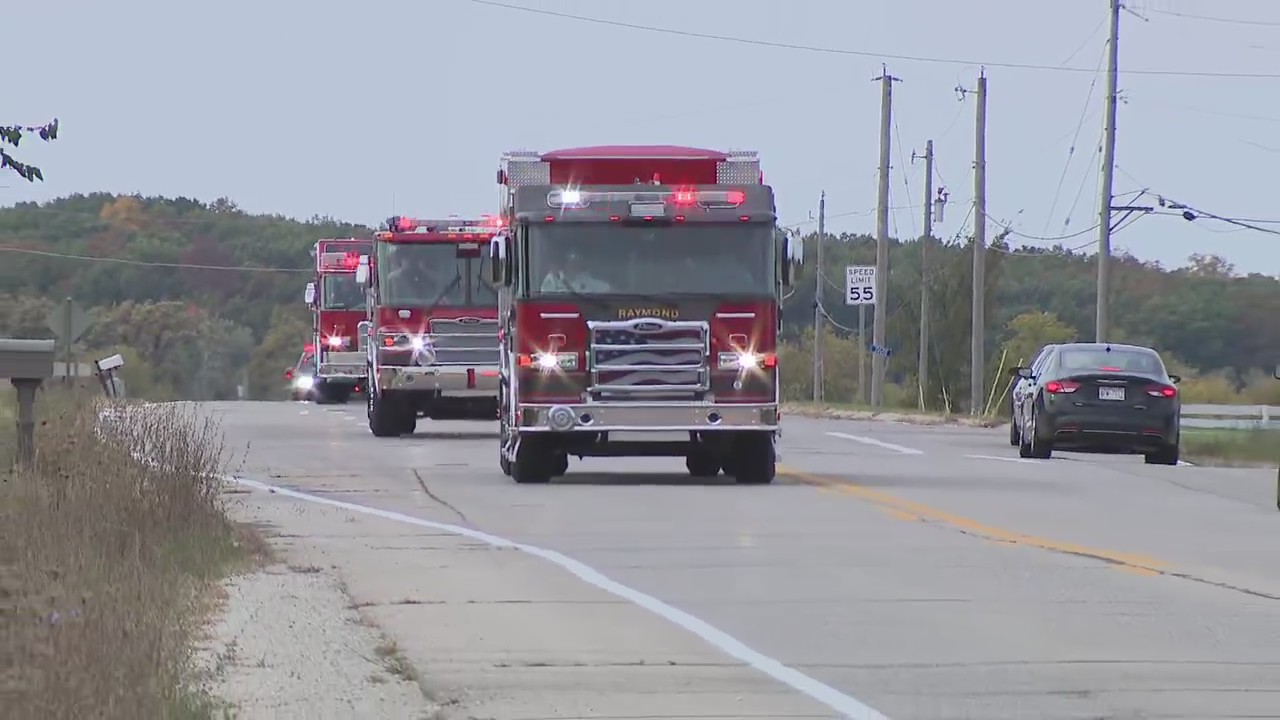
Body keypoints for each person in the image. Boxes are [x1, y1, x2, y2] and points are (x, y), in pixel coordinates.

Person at [541, 250, 609, 293]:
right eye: (571, 260)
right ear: (565, 261)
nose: (574, 264)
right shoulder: (553, 278)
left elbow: (606, 289)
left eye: (577, 260)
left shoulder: (586, 279)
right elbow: (544, 297)